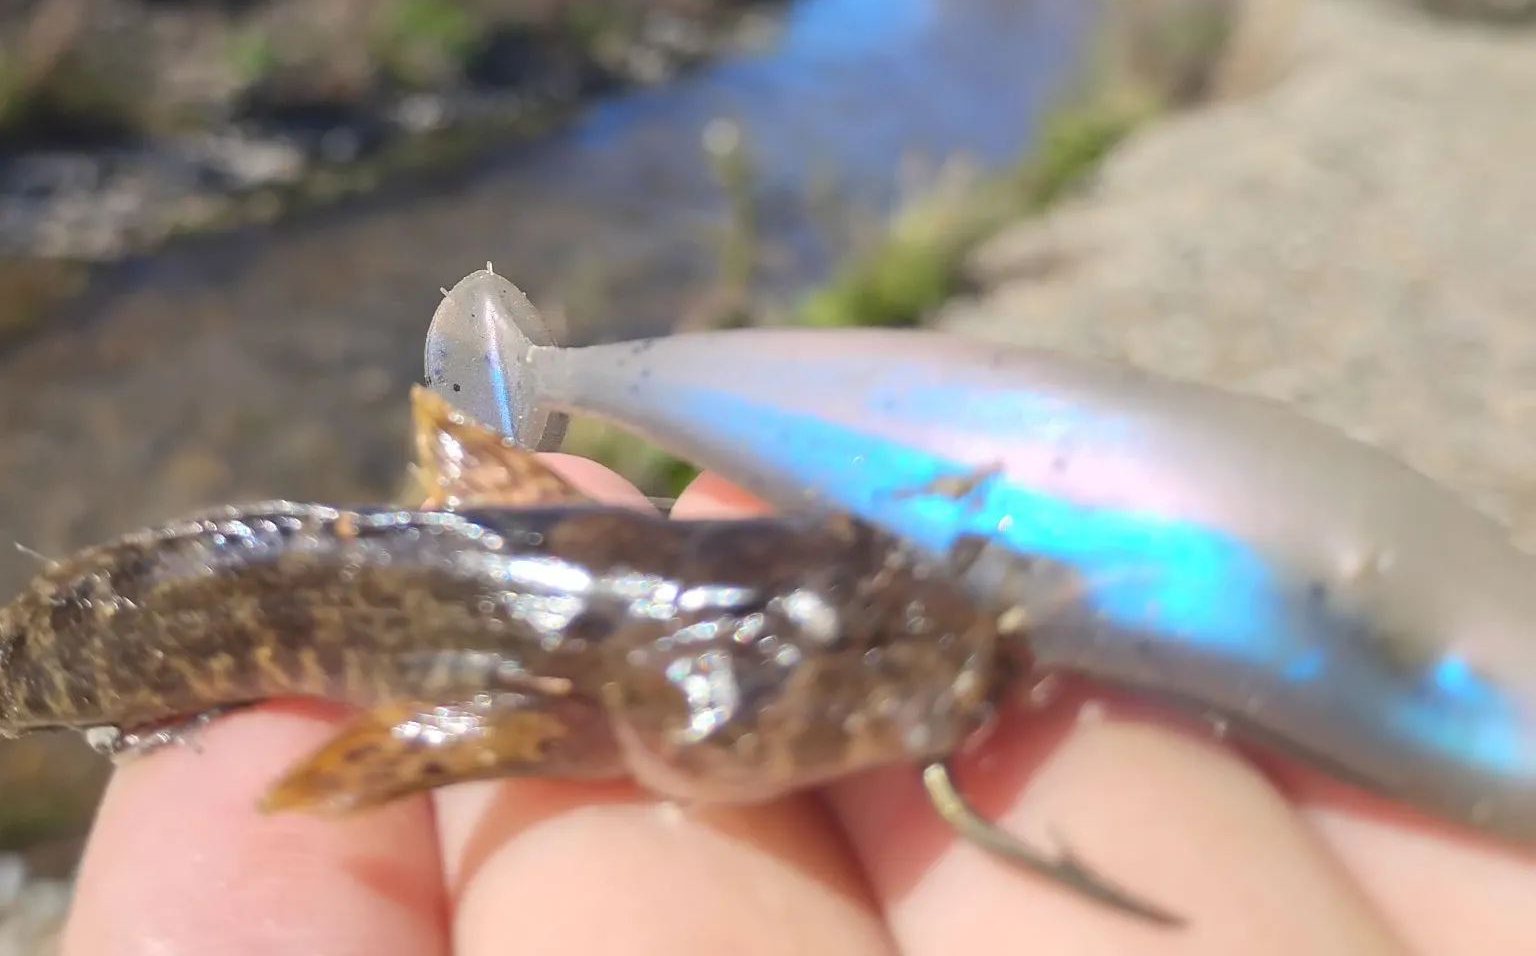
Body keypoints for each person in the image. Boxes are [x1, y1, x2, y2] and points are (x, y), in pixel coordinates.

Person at [61, 460, 1536, 955]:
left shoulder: (570, 691)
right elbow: (351, 771)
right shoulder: (527, 713)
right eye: (836, 673)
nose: (934, 665)